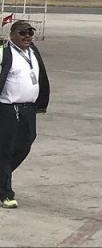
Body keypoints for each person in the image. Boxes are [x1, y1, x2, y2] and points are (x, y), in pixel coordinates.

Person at [0, 21, 50, 209]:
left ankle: (1, 179)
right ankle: (6, 193)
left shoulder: (32, 51)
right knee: (4, 150)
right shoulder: (5, 52)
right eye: (23, 33)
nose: (27, 37)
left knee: (25, 145)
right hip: (8, 108)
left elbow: (41, 76)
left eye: (30, 34)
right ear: (12, 33)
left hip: (28, 109)